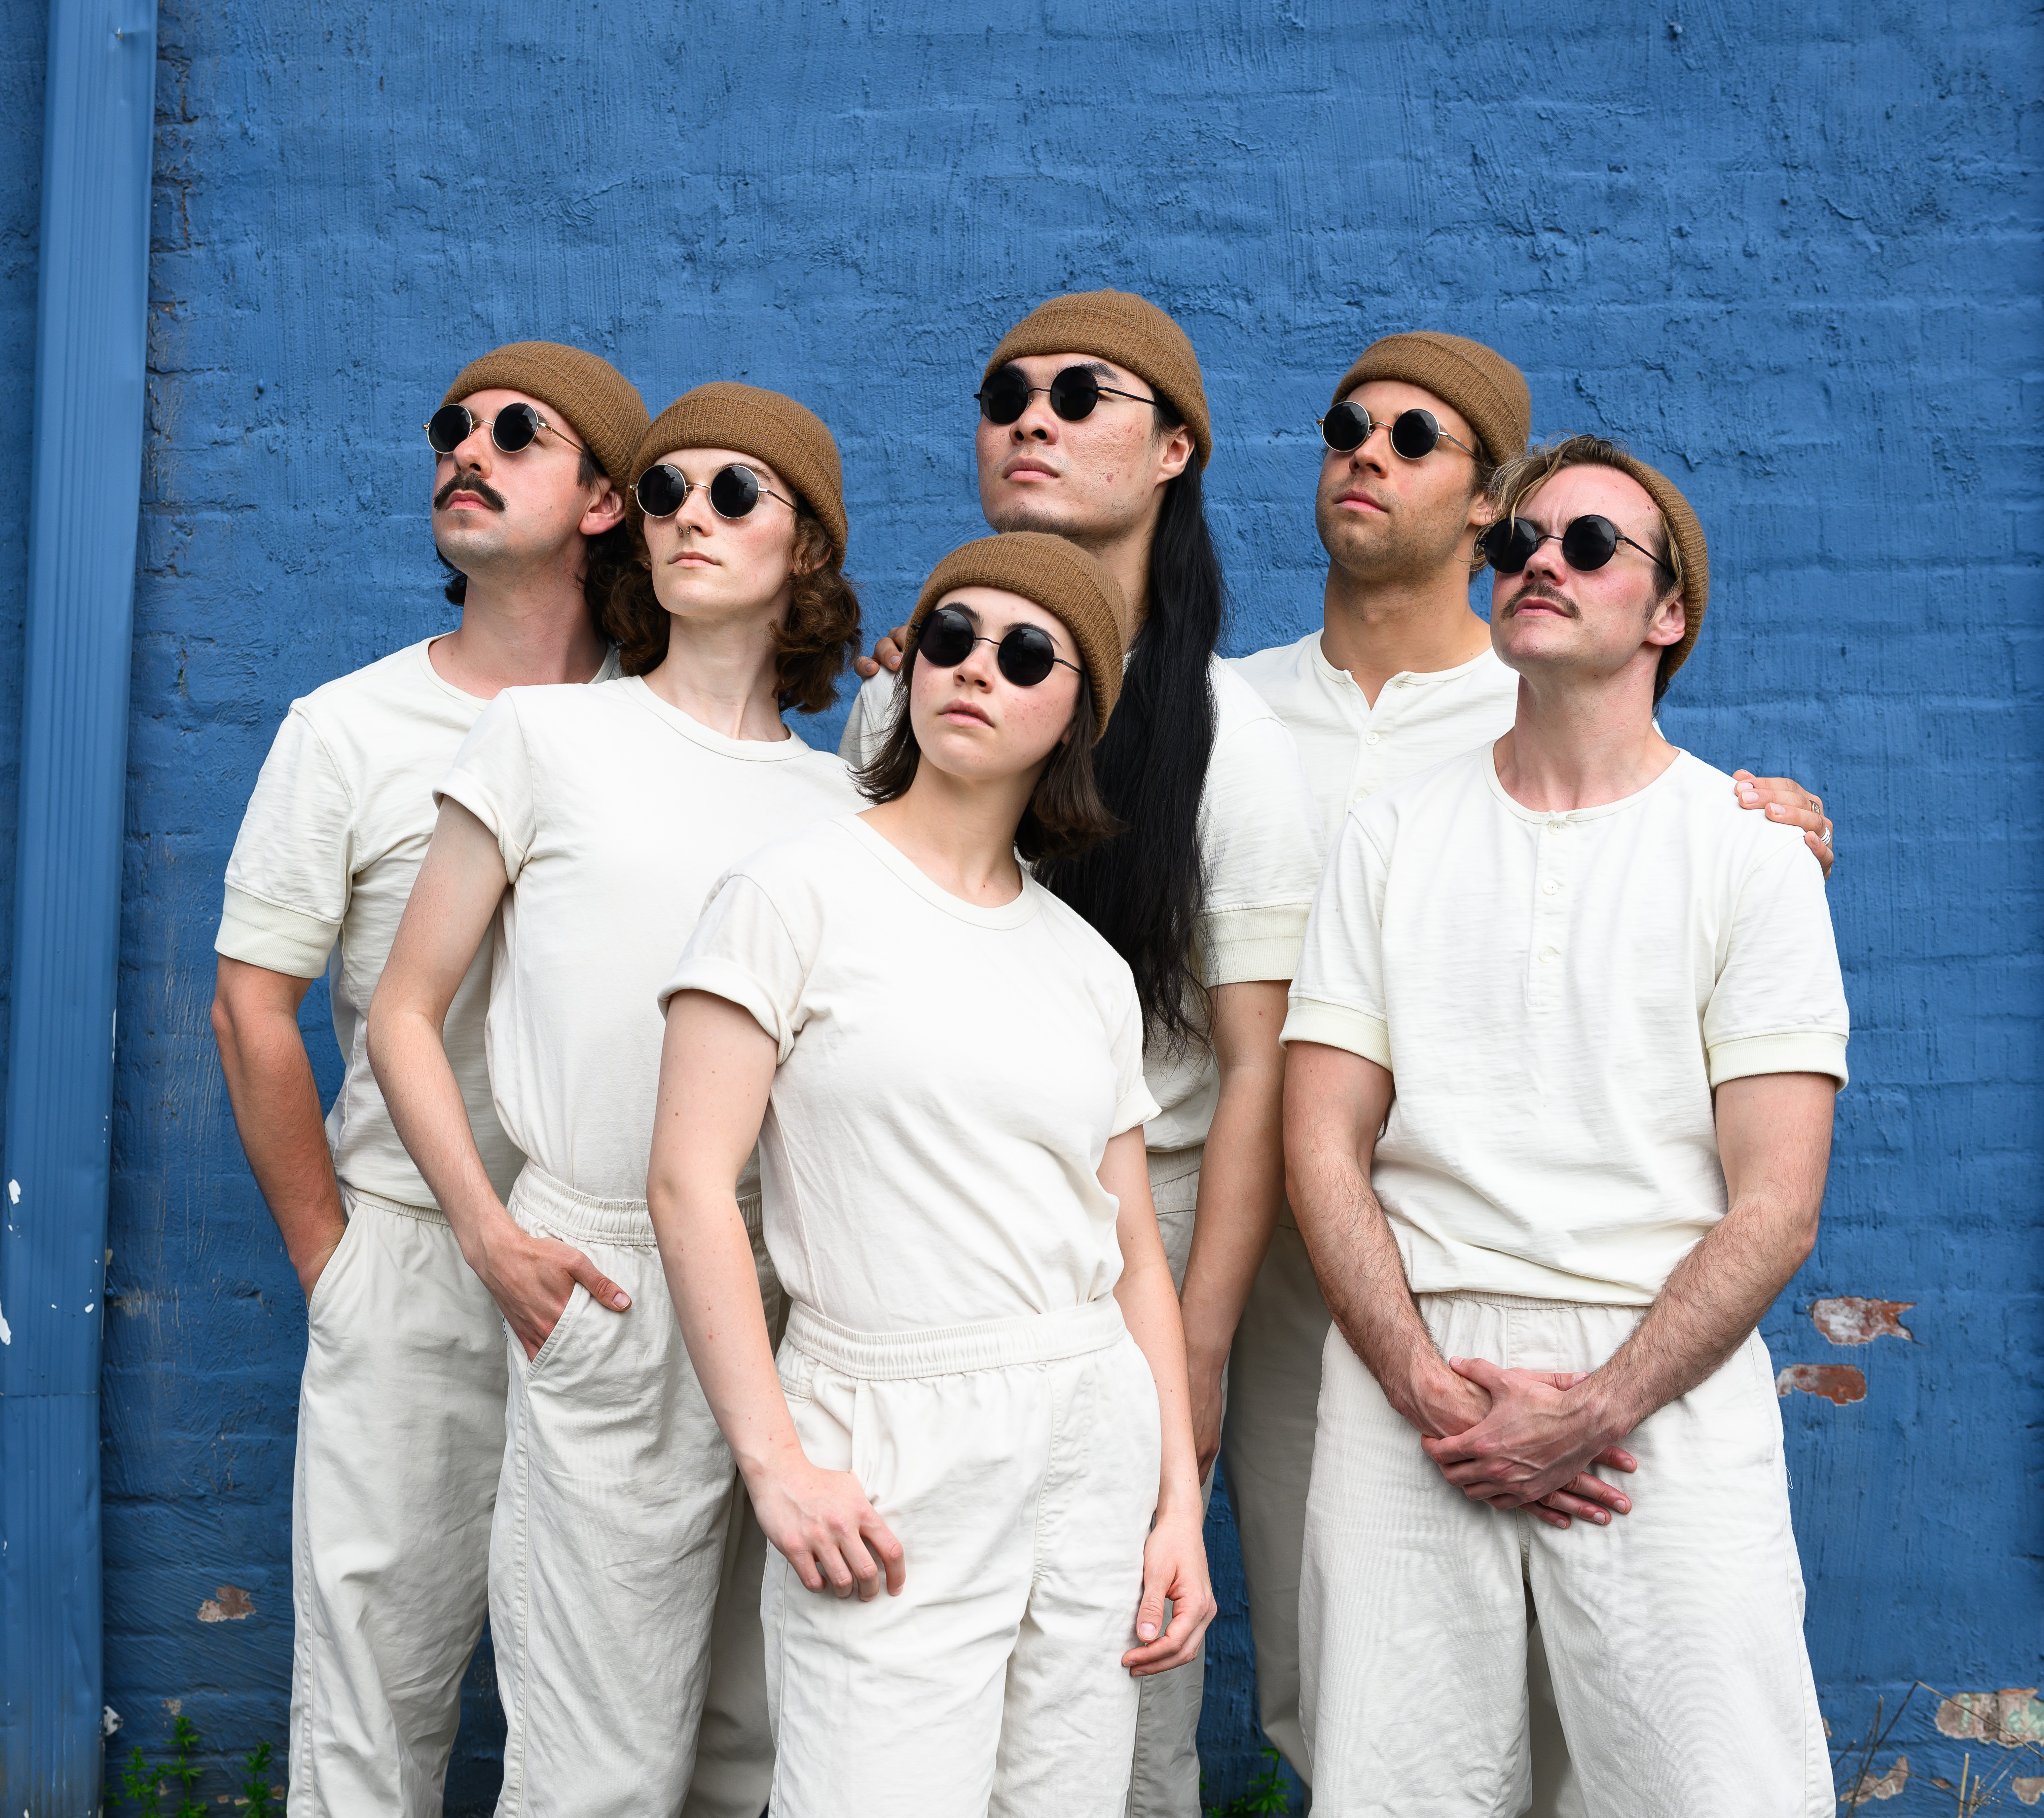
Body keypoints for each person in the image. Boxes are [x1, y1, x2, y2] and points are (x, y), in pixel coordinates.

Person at [1221, 332, 1839, 1793]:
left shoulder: (1750, 852)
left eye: (1588, 542)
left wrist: (1601, 1404)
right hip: (1410, 1370)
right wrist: (1429, 1386)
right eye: (1519, 541)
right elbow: (1322, 1142)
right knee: (1397, 1782)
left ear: (1668, 609)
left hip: (1659, 1384)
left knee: (1709, 1781)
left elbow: (1777, 1203)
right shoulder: (1393, 834)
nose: (1540, 562)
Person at [652, 533, 1218, 1817]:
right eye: (951, 636)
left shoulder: (1080, 962)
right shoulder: (790, 892)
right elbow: (688, 1184)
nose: (976, 669)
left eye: (1027, 654)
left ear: (1079, 711)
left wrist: (1177, 1504)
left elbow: (1131, 1251)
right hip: (890, 1426)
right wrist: (778, 1464)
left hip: (1087, 1426)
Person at [839, 295, 1318, 1813]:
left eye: (1083, 395)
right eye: (1006, 393)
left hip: (1128, 1261)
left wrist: (1192, 1351)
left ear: (1175, 449)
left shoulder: (1233, 744)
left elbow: (1257, 1073)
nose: (1032, 417)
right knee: (888, 1678)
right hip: (900, 1266)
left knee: (1110, 1717)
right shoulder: (903, 695)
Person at [365, 382, 862, 1818]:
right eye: (663, 493)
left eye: (734, 494)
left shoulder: (845, 804)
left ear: (807, 549)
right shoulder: (546, 740)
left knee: (755, 1732)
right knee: (596, 1753)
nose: (688, 517)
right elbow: (405, 1008)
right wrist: (487, 1232)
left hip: (793, 1290)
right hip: (599, 1273)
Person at [209, 342, 644, 1818]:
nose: (468, 446)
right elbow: (251, 1008)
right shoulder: (346, 729)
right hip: (407, 1255)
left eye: (519, 433)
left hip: (613, 1266)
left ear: (603, 501)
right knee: (370, 1702)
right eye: (453, 428)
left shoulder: (665, 727)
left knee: (616, 1697)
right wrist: (336, 1257)